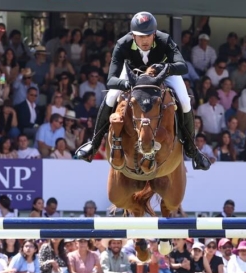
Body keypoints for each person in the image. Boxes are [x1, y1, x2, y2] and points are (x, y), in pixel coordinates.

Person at [73, 11, 211, 170]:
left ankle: (193, 150)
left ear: (154, 33)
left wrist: (165, 68)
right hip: (133, 75)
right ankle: (94, 144)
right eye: (140, 36)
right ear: (133, 35)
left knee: (185, 101)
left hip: (162, 75)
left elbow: (182, 66)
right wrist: (127, 85)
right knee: (111, 96)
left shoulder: (164, 40)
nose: (144, 40)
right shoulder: (122, 44)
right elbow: (111, 80)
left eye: (148, 35)